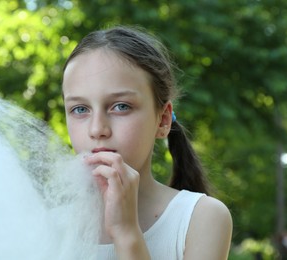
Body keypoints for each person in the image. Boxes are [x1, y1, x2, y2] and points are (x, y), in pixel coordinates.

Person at [61, 25, 232, 259]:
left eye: (121, 106)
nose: (97, 129)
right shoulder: (46, 224)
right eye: (80, 109)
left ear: (162, 120)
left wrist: (126, 233)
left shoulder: (201, 218)